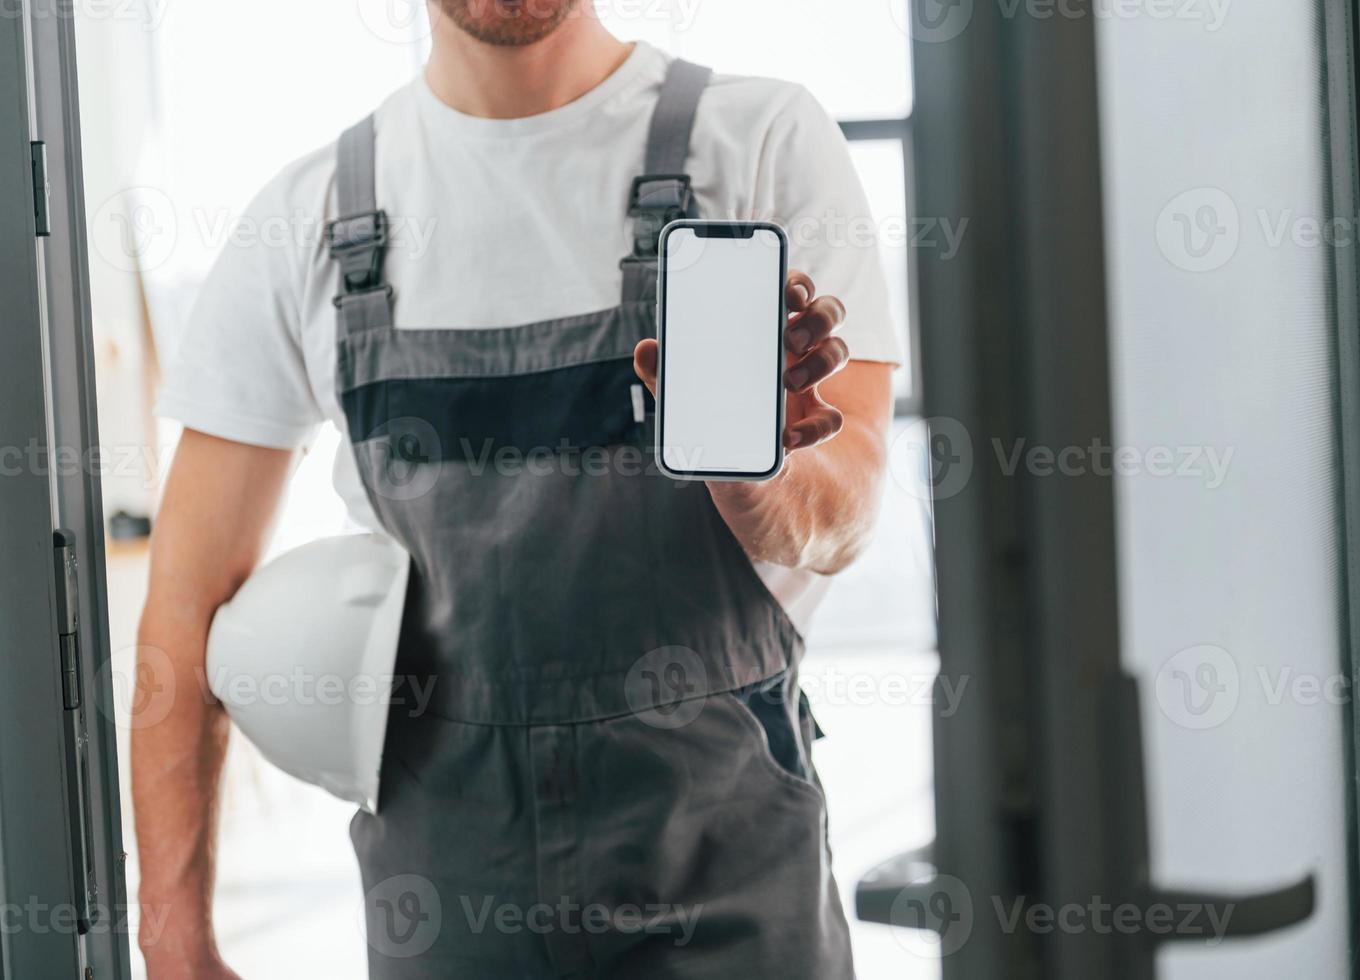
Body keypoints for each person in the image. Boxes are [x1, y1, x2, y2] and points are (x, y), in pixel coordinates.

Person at [133, 0, 900, 976]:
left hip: (730, 879)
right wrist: (174, 938)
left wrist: (760, 479)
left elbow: (848, 509)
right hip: (447, 900)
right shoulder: (311, 217)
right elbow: (183, 607)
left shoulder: (761, 141)